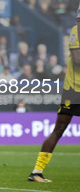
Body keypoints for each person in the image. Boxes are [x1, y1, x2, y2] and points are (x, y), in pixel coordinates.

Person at [28, 18, 80, 183]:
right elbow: (77, 60)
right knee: (59, 129)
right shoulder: (76, 30)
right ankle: (37, 171)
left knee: (59, 129)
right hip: (74, 90)